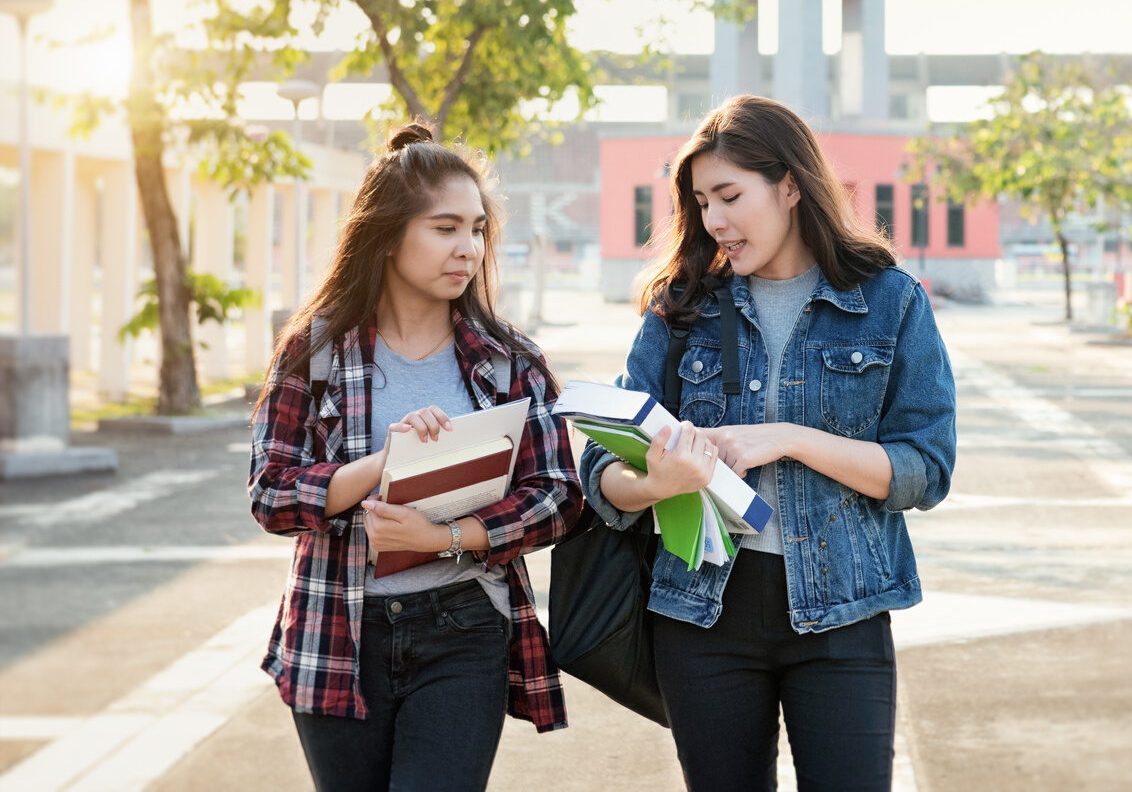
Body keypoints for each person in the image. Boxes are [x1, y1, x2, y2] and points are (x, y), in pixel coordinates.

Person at [579, 95, 957, 791]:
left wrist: (788, 438)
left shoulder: (888, 301)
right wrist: (656, 481)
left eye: (729, 195)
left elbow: (924, 469)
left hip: (843, 608)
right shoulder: (684, 308)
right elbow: (601, 467)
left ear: (789, 187)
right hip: (703, 614)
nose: (714, 220)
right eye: (700, 202)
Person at [248, 123, 582, 791]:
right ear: (390, 234)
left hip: (462, 625)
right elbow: (270, 494)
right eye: (446, 228)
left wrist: (447, 537)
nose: (469, 248)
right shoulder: (315, 353)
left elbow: (557, 495)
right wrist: (380, 466)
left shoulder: (507, 358)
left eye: (478, 229)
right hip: (338, 628)